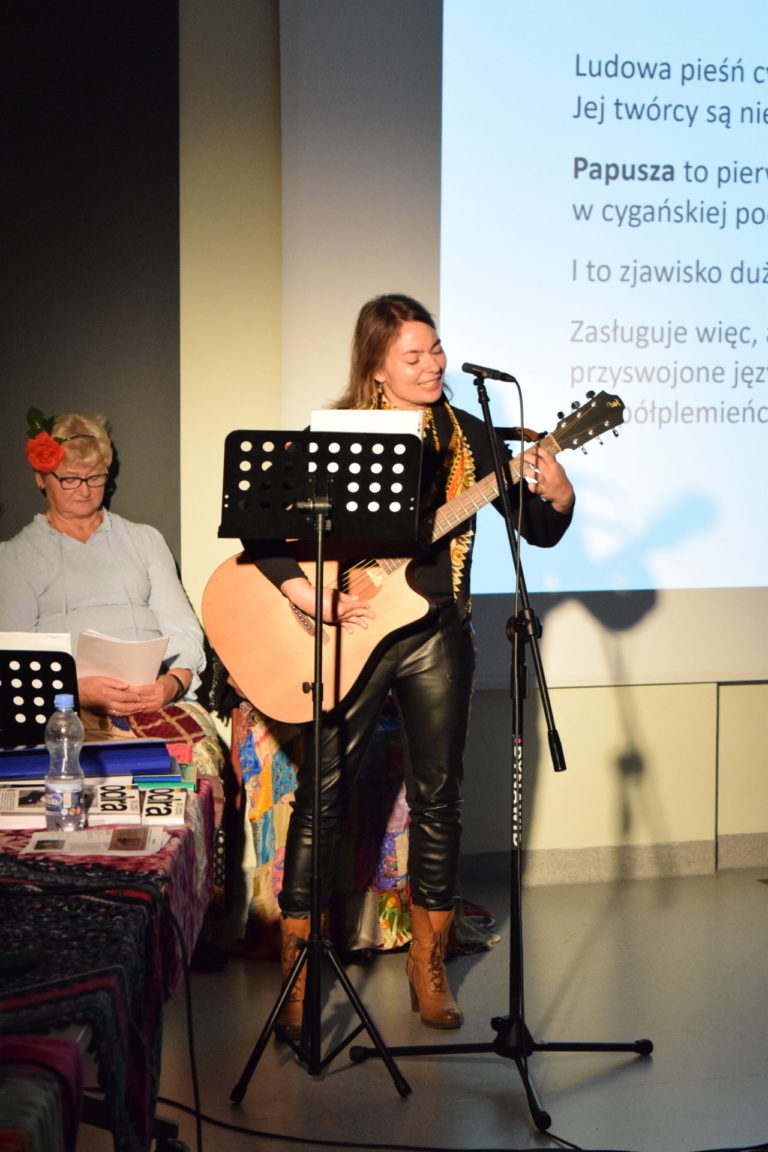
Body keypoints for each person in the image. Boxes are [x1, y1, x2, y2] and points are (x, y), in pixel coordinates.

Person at [250, 294, 575, 1037]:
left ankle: (427, 963)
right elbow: (259, 529)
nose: (433, 365)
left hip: (438, 634)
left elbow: (535, 529)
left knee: (439, 800)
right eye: (413, 355)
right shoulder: (335, 436)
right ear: (376, 368)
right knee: (322, 794)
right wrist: (307, 591)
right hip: (352, 633)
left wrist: (557, 495)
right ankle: (299, 969)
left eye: (436, 350)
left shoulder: (470, 437)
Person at [0, 408, 207, 729]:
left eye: (95, 477)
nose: (84, 490)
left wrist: (172, 682)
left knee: (194, 751)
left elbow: (183, 629)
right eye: (70, 479)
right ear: (41, 478)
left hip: (156, 699)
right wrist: (75, 691)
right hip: (66, 709)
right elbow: (15, 659)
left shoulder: (145, 540)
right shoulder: (15, 556)